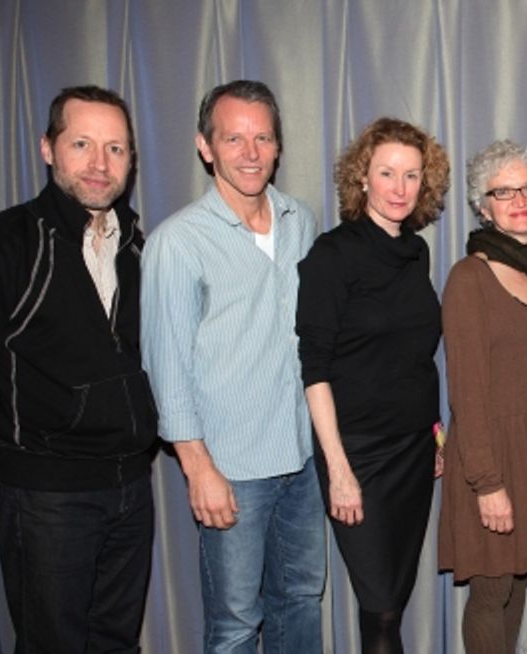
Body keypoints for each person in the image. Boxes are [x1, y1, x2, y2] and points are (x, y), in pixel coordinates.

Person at [0, 85, 157, 654]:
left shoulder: (139, 249)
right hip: (44, 495)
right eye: (82, 143)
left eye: (116, 148)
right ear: (48, 148)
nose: (100, 164)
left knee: (115, 643)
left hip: (129, 488)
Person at [141, 80, 324, 653]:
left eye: (263, 138)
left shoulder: (303, 222)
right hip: (231, 467)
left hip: (302, 459)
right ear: (205, 146)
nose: (250, 152)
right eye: (234, 138)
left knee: (300, 604)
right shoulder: (178, 242)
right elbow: (165, 366)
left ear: (277, 147)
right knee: (236, 623)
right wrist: (199, 469)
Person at [296, 116, 449, 653]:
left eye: (412, 175)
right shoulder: (331, 255)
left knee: (392, 602)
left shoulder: (416, 252)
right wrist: (338, 469)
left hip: (413, 450)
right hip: (357, 453)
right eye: (387, 173)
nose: (400, 188)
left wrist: (435, 435)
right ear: (362, 179)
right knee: (380, 602)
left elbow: (415, 356)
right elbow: (314, 368)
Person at [438, 139, 527, 653]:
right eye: (503, 191)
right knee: (492, 591)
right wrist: (486, 483)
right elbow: (466, 391)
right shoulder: (469, 278)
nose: (519, 200)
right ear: (482, 206)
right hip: (489, 458)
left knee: (517, 583)